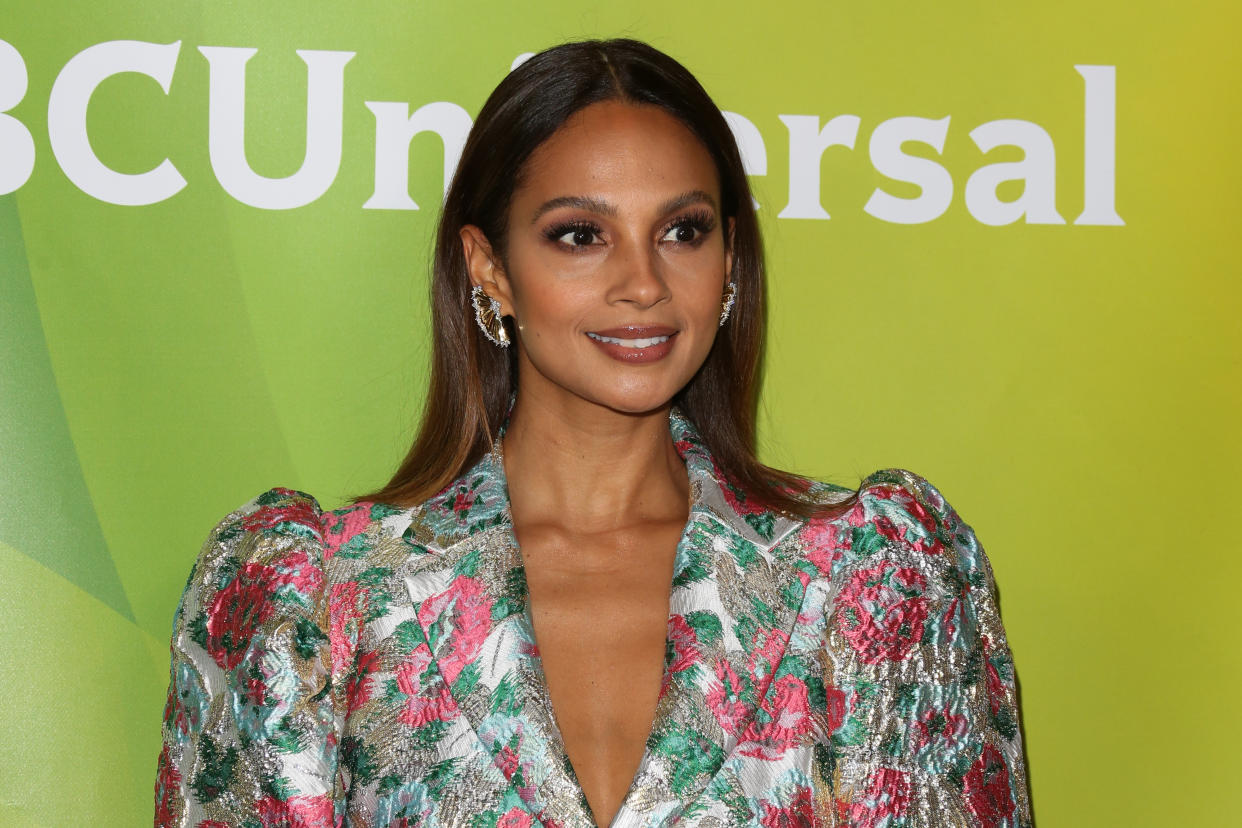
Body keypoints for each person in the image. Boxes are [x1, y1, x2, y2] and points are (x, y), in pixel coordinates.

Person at [156, 38, 1032, 828]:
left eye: (681, 232)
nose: (643, 282)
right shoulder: (325, 602)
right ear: (490, 268)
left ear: (730, 257)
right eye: (581, 235)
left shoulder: (867, 582)